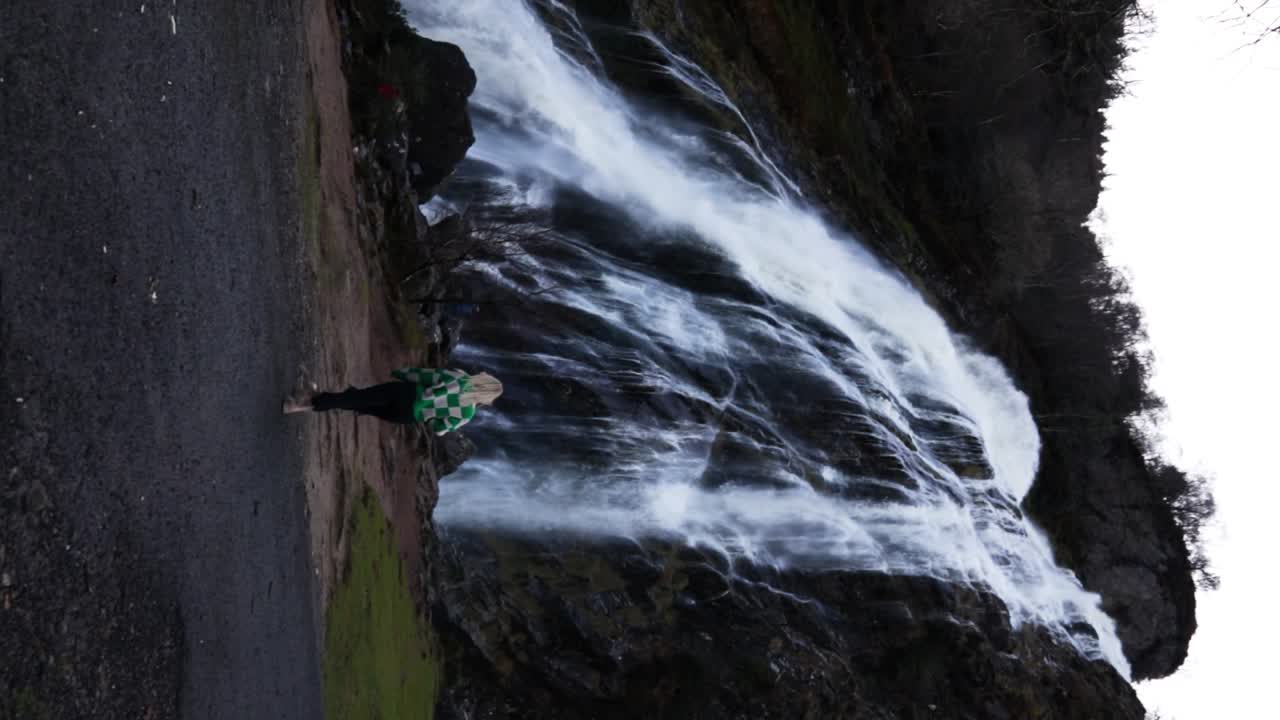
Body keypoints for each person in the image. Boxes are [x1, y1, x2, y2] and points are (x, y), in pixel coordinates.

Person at [283, 368, 502, 435]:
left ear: (482, 379)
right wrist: (431, 415)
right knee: (358, 403)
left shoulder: (460, 378)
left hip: (407, 394)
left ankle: (298, 405)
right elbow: (439, 429)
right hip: (406, 416)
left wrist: (402, 374)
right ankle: (314, 397)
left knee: (357, 399)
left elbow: (427, 376)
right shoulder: (467, 414)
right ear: (486, 398)